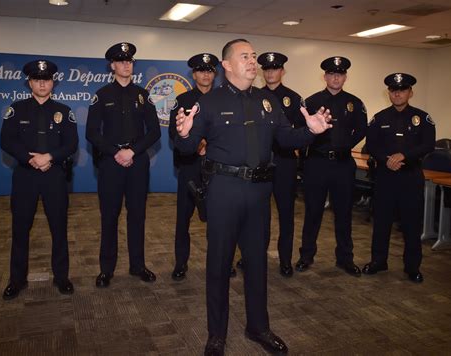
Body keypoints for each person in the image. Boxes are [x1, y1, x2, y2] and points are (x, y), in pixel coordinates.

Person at [174, 39, 332, 356]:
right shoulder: (210, 103)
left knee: (257, 263)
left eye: (254, 56)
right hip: (224, 190)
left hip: (260, 192)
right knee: (218, 264)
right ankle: (216, 334)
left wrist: (311, 131)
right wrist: (183, 134)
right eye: (244, 56)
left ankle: (258, 327)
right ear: (227, 65)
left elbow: (285, 138)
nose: (252, 61)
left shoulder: (268, 101)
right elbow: (187, 149)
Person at [0, 59, 78, 300]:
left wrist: (50, 157)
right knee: (20, 229)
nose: (42, 83)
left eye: (46, 79)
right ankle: (17, 279)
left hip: (54, 176)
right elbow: (7, 141)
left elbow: (72, 144)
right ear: (30, 82)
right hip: (25, 176)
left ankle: (62, 277)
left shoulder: (64, 111)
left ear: (53, 82)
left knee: (59, 228)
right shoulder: (16, 109)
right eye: (37, 79)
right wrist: (29, 159)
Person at [86, 42, 161, 288]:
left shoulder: (143, 94)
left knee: (137, 216)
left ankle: (138, 265)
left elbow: (154, 133)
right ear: (112, 66)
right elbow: (92, 133)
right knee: (109, 216)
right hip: (111, 163)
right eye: (121, 61)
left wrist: (133, 151)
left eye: (129, 61)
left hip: (137, 162)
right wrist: (116, 152)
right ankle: (106, 269)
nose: (126, 65)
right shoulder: (102, 95)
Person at [295, 56, 367, 277]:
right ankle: (306, 256)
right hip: (317, 163)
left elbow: (362, 130)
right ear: (325, 76)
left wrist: (345, 146)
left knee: (344, 213)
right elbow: (301, 130)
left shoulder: (355, 103)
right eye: (331, 74)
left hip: (343, 164)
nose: (336, 77)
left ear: (345, 77)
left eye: (340, 74)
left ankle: (345, 259)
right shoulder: (312, 101)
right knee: (313, 211)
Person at [169, 53, 238, 281]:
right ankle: (181, 264)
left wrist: (209, 143)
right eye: (200, 70)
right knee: (183, 220)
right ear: (194, 74)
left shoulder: (225, 99)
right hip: (190, 168)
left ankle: (222, 263)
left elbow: (232, 135)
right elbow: (174, 133)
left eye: (209, 70)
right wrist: (197, 143)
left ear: (215, 73)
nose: (205, 74)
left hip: (219, 171)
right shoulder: (183, 101)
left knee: (221, 221)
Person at [362, 73, 435, 283]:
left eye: (402, 89)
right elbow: (372, 145)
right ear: (389, 93)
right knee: (382, 222)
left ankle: (412, 267)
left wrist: (404, 156)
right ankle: (378, 261)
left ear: (410, 92)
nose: (397, 93)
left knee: (411, 224)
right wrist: (386, 159)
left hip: (410, 177)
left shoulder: (423, 118)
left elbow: (428, 144)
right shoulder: (379, 118)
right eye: (394, 90)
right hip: (386, 176)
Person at [257, 51, 306, 277]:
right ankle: (254, 256)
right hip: (261, 163)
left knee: (286, 214)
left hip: (285, 162)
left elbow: (300, 131)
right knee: (258, 215)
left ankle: (285, 259)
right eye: (266, 69)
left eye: (274, 68)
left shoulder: (294, 99)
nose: (270, 73)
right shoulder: (253, 96)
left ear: (282, 71)